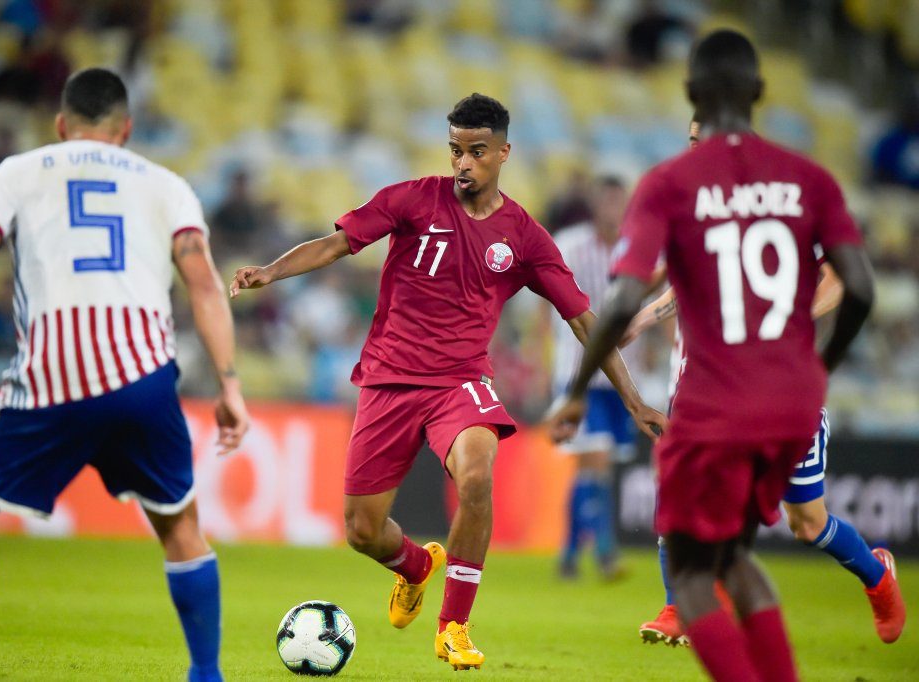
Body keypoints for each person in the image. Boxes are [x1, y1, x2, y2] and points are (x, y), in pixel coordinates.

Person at [231, 93, 668, 671]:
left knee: (478, 474)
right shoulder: (411, 199)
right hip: (389, 379)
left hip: (460, 383)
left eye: (477, 151)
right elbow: (336, 244)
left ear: (504, 153)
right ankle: (415, 566)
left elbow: (584, 320)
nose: (464, 163)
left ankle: (453, 626)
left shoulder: (525, 238)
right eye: (456, 150)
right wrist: (271, 271)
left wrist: (634, 399)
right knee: (362, 531)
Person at [549, 29, 878, 681]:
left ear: (691, 93)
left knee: (712, 561)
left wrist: (580, 387)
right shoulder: (807, 180)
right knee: (734, 554)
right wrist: (818, 369)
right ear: (758, 92)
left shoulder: (672, 186)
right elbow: (862, 287)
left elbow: (620, 297)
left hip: (716, 396)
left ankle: (857, 579)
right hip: (787, 398)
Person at [0, 68, 250, 682]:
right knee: (181, 526)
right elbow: (205, 284)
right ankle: (206, 674)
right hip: (145, 375)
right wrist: (229, 383)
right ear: (126, 129)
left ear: (60, 125)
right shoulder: (166, 185)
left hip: (54, 373)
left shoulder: (18, 172)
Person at [630, 264, 906, 647]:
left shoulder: (790, 227)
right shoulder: (709, 231)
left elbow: (839, 277)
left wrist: (784, 317)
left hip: (786, 393)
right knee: (680, 489)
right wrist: (640, 319)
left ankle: (877, 577)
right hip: (711, 384)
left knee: (808, 524)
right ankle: (678, 607)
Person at [550, 175, 643, 579]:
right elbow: (545, 304)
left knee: (592, 467)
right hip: (579, 373)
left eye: (619, 201)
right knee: (596, 458)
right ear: (594, 205)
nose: (613, 209)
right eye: (607, 201)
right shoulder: (570, 245)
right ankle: (605, 551)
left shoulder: (636, 249)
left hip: (622, 376)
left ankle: (569, 554)